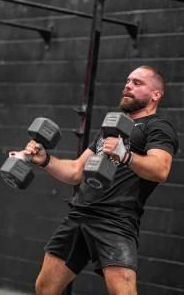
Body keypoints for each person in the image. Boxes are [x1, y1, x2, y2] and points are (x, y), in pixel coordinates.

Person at [22, 65, 179, 295]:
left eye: (137, 83)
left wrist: (125, 155)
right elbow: (76, 171)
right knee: (45, 288)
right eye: (127, 81)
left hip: (115, 221)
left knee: (122, 293)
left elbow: (161, 169)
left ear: (156, 94)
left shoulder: (158, 128)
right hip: (79, 215)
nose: (128, 86)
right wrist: (46, 160)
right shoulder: (111, 129)